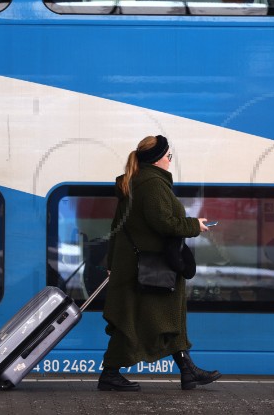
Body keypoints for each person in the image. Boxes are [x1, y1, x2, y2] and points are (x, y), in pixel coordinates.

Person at [98, 135, 221, 392]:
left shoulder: (135, 182)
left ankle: (187, 372)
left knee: (141, 319)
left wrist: (112, 261)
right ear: (158, 159)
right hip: (148, 269)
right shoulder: (152, 184)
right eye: (169, 156)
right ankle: (111, 373)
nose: (170, 161)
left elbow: (117, 228)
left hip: (138, 267)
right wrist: (194, 226)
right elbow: (164, 223)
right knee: (146, 320)